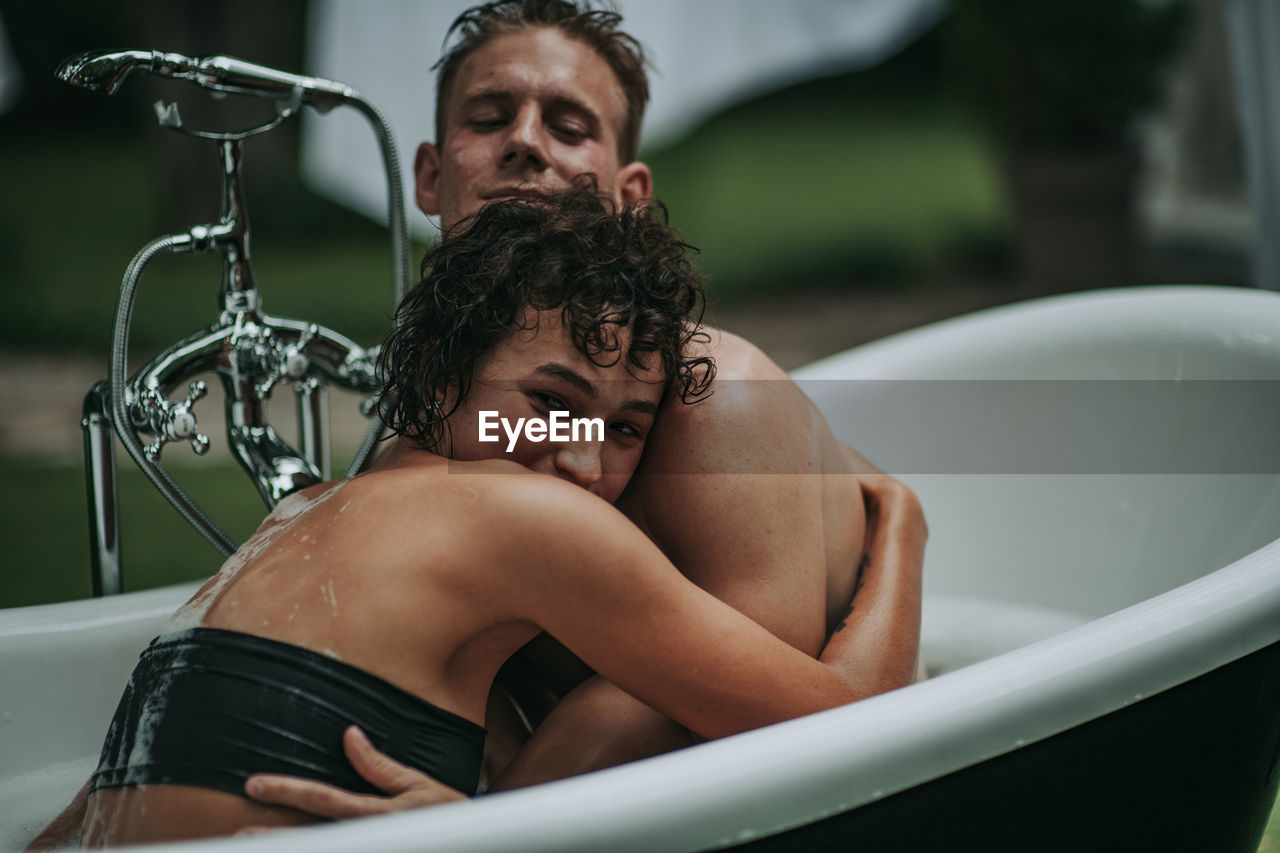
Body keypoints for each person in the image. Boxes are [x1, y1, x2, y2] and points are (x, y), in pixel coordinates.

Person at [28, 190, 920, 850]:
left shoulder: (297, 515)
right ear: (444, 379)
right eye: (548, 400)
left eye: (624, 430)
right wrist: (903, 531)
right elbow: (848, 723)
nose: (580, 458)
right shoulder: (528, 518)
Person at [244, 0, 925, 815]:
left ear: (630, 194)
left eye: (569, 127)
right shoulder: (449, 414)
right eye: (491, 117)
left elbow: (764, 713)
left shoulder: (709, 387)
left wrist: (485, 828)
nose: (525, 142)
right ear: (430, 175)